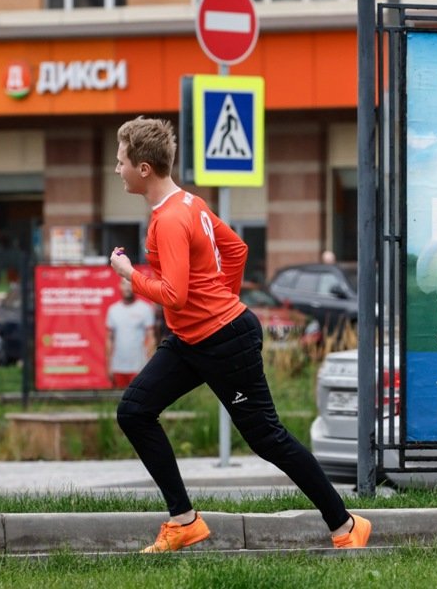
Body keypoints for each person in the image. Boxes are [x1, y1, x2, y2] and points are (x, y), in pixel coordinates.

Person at [109, 116, 370, 553]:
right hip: (193, 338)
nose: (116, 170)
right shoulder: (191, 204)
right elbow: (236, 250)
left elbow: (173, 294)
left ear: (143, 169)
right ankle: (184, 521)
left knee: (268, 438)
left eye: (120, 162)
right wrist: (217, 303)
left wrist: (130, 275)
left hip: (222, 340)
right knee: (134, 411)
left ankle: (345, 525)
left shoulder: (170, 219)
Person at [105, 278, 156, 389]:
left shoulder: (145, 309)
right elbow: (109, 339)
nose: (127, 287)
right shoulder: (113, 310)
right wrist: (109, 365)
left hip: (139, 366)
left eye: (130, 283)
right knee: (118, 402)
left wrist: (150, 364)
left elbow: (151, 338)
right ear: (119, 286)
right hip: (118, 366)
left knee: (137, 401)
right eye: (124, 283)